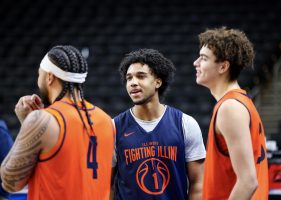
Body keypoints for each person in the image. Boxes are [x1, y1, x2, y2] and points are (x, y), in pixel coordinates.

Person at [1, 45, 115, 200]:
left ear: (49, 77)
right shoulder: (106, 120)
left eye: (39, 74)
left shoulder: (42, 120)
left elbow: (10, 182)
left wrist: (28, 124)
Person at [112, 49, 206, 200]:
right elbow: (107, 184)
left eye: (141, 76)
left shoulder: (185, 124)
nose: (133, 83)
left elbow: (198, 183)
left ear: (158, 82)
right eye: (129, 78)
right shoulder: (114, 127)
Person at [193, 27, 269, 199]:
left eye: (203, 58)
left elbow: (248, 182)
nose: (195, 63)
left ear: (223, 66)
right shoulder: (240, 102)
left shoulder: (230, 108)